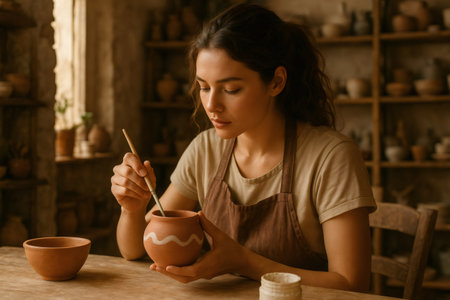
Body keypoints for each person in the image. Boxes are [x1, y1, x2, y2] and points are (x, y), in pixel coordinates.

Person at [111, 3, 376, 292]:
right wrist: (133, 209)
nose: (211, 105)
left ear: (276, 82)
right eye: (203, 87)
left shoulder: (330, 157)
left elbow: (353, 285)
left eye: (231, 89)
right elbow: (135, 250)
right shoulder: (205, 150)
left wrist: (243, 262)